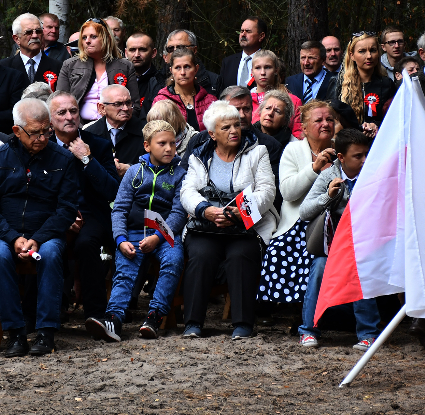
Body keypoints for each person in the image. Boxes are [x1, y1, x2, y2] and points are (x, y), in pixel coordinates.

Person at [0, 98, 80, 357]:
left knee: (52, 254)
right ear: (16, 131)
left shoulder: (63, 159)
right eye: (34, 132)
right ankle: (16, 333)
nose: (42, 137)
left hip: (46, 232)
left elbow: (66, 209)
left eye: (46, 131)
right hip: (6, 232)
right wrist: (13, 238)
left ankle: (46, 332)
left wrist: (38, 237)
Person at [179, 101, 278, 340]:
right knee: (201, 255)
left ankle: (243, 324)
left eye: (237, 125)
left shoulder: (258, 152)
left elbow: (267, 192)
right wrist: (205, 210)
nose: (234, 131)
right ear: (212, 134)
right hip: (206, 225)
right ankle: (193, 323)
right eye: (226, 128)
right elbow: (187, 191)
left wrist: (238, 214)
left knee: (240, 255)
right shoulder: (199, 156)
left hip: (247, 226)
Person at [88, 119, 186, 342]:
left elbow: (178, 213)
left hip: (165, 234)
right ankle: (114, 318)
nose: (169, 148)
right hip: (133, 232)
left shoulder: (180, 175)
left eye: (173, 143)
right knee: (124, 270)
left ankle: (154, 316)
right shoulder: (133, 172)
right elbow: (119, 209)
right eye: (162, 143)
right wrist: (120, 239)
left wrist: (157, 237)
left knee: (173, 260)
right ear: (147, 146)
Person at [297, 128, 379, 350]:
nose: (364, 160)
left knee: (360, 269)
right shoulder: (328, 175)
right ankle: (308, 329)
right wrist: (328, 196)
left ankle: (368, 333)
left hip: (364, 244)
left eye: (366, 154)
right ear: (341, 158)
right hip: (331, 245)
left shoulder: (373, 176)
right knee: (320, 268)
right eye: (357, 156)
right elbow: (304, 212)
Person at [48, 91, 120, 325]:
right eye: (62, 113)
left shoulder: (98, 144)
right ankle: (50, 310)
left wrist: (87, 159)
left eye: (73, 111)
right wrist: (62, 218)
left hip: (92, 214)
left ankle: (95, 314)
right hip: (55, 213)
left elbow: (112, 191)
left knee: (87, 243)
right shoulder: (44, 146)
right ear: (50, 120)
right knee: (49, 243)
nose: (69, 117)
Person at [257, 101, 336, 308]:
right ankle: (289, 307)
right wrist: (314, 168)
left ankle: (315, 309)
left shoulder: (342, 150)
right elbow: (288, 193)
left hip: (333, 223)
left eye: (329, 119)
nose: (325, 124)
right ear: (304, 127)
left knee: (316, 254)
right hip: (297, 222)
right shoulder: (293, 149)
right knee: (279, 250)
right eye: (318, 120)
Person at [56, 18, 139, 122]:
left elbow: (135, 105)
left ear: (107, 38)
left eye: (93, 37)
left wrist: (118, 126)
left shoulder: (125, 66)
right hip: (78, 127)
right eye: (84, 37)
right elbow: (59, 102)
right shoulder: (69, 65)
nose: (87, 41)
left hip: (115, 127)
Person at [325, 32, 395, 137]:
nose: (369, 56)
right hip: (347, 143)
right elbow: (330, 118)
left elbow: (394, 119)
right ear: (352, 55)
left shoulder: (387, 84)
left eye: (373, 50)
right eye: (362, 51)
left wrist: (376, 125)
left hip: (378, 142)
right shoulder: (337, 83)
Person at [83, 84, 146, 177]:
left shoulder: (146, 131)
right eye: (118, 104)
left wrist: (131, 169)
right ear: (102, 108)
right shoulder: (89, 133)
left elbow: (158, 165)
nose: (125, 108)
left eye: (128, 103)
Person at [154, 47, 216, 131]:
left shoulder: (210, 101)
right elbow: (156, 135)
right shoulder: (161, 101)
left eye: (187, 67)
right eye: (178, 68)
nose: (182, 72)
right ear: (171, 70)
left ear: (196, 69)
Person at [0, 13, 63, 94]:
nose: (35, 36)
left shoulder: (58, 67)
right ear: (16, 39)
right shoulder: (4, 67)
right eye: (29, 32)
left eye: (38, 31)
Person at [250, 50, 302, 138]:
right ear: (252, 72)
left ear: (276, 70)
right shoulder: (244, 101)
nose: (262, 72)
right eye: (258, 68)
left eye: (267, 67)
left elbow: (298, 134)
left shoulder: (293, 101)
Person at [163, 29, 221, 94]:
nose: (175, 51)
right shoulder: (156, 80)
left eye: (181, 47)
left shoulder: (214, 81)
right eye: (171, 48)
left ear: (194, 50)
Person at [218, 16, 268, 90]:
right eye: (241, 31)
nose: (243, 34)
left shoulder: (269, 62)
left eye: (248, 31)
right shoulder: (228, 62)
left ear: (261, 36)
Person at [125, 32, 164, 115]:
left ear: (153, 53)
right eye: (132, 50)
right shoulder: (118, 79)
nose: (137, 55)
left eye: (142, 50)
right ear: (126, 53)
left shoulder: (161, 82)